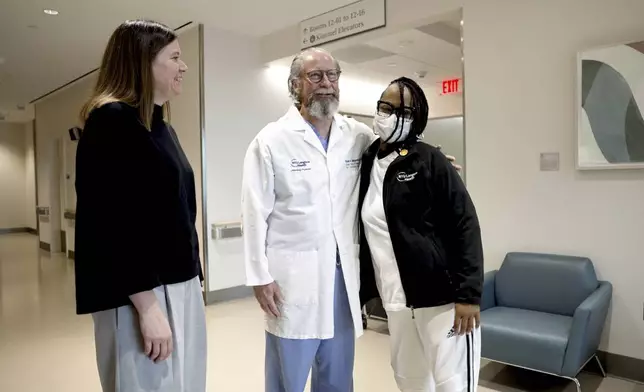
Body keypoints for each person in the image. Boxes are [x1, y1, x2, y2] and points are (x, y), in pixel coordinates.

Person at [74, 20, 206, 392]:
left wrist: (193, 279)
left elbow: (177, 210)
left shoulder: (160, 125)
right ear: (142, 62)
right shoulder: (111, 121)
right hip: (139, 291)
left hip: (177, 283)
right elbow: (108, 224)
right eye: (175, 57)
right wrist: (147, 308)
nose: (183, 67)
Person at [241, 47, 376, 392]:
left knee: (338, 375)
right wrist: (259, 276)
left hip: (342, 278)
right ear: (295, 85)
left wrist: (431, 162)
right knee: (288, 377)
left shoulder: (356, 135)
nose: (326, 84)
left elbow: (394, 156)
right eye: (315, 76)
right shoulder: (271, 140)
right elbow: (254, 212)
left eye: (333, 76)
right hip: (292, 280)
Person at [358, 77, 483, 392]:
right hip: (395, 301)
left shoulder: (429, 160)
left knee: (453, 384)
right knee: (410, 381)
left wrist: (469, 294)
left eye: (399, 109)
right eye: (383, 105)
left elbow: (464, 224)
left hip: (442, 300)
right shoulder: (367, 161)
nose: (387, 113)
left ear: (416, 119)